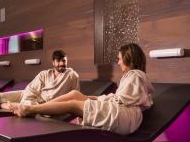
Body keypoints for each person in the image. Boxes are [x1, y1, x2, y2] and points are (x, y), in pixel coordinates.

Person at [10, 43, 154, 135]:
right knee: (75, 94)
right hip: (121, 111)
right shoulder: (134, 76)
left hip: (124, 117)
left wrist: (97, 99)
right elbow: (123, 98)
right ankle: (40, 107)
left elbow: (121, 101)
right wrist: (96, 98)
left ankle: (29, 109)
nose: (118, 61)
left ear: (129, 58)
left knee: (73, 104)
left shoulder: (135, 75)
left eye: (120, 58)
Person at [0, 50, 79, 109]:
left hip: (42, 104)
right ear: (53, 62)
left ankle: (4, 105)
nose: (62, 64)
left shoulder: (72, 75)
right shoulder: (44, 74)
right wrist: (27, 101)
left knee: (12, 103)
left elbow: (75, 95)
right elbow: (30, 90)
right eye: (59, 61)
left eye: (64, 61)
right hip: (27, 96)